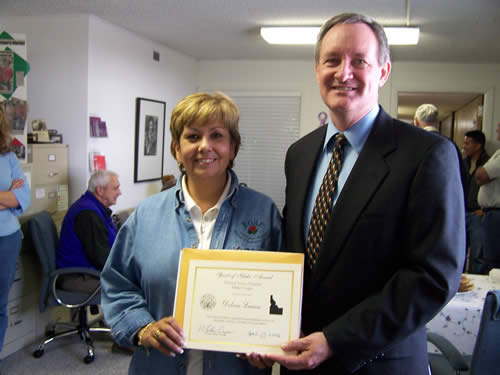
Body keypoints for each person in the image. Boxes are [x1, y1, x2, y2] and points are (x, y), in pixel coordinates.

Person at [251, 13, 464, 375]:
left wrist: (336, 339)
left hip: (376, 362)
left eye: (359, 61)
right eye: (332, 60)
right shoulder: (299, 154)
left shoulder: (427, 154)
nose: (343, 72)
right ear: (317, 68)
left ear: (382, 71)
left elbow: (432, 275)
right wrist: (263, 328)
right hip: (299, 359)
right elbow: (296, 255)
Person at [101, 92, 282, 375]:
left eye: (217, 136)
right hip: (158, 367)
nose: (205, 146)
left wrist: (272, 343)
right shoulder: (146, 215)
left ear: (233, 147)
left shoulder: (263, 213)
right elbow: (117, 285)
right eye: (193, 136)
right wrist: (143, 327)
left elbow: (281, 294)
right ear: (176, 148)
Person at [56, 170, 121, 292]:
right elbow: (101, 258)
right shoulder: (88, 214)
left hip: (89, 271)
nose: (119, 193)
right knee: (137, 286)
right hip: (79, 276)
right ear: (100, 190)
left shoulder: (94, 208)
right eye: (115, 188)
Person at [0, 105, 30, 369]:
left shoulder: (8, 157)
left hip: (7, 239)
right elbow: (12, 198)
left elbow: (23, 198)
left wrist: (13, 197)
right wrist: (6, 196)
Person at [463, 130, 489, 273]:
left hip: (477, 214)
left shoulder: (488, 163)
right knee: (459, 251)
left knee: (478, 254)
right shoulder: (463, 163)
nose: (464, 146)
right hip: (462, 213)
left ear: (478, 145)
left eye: (468, 143)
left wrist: (483, 209)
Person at [476, 122, 500, 273]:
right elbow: (481, 177)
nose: (497, 128)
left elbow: (481, 174)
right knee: (488, 256)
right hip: (490, 213)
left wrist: (484, 174)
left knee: (493, 260)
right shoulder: (497, 153)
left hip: (497, 215)